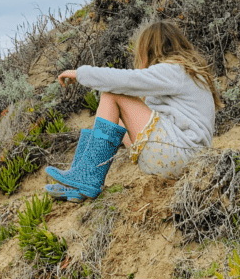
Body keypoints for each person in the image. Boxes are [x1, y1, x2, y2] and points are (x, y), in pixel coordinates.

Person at [44, 20, 221, 202]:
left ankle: (87, 178)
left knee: (111, 95)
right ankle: (79, 180)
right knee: (118, 116)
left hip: (180, 155)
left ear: (150, 49)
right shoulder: (186, 74)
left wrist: (81, 74)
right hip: (183, 158)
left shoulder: (175, 70)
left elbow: (126, 80)